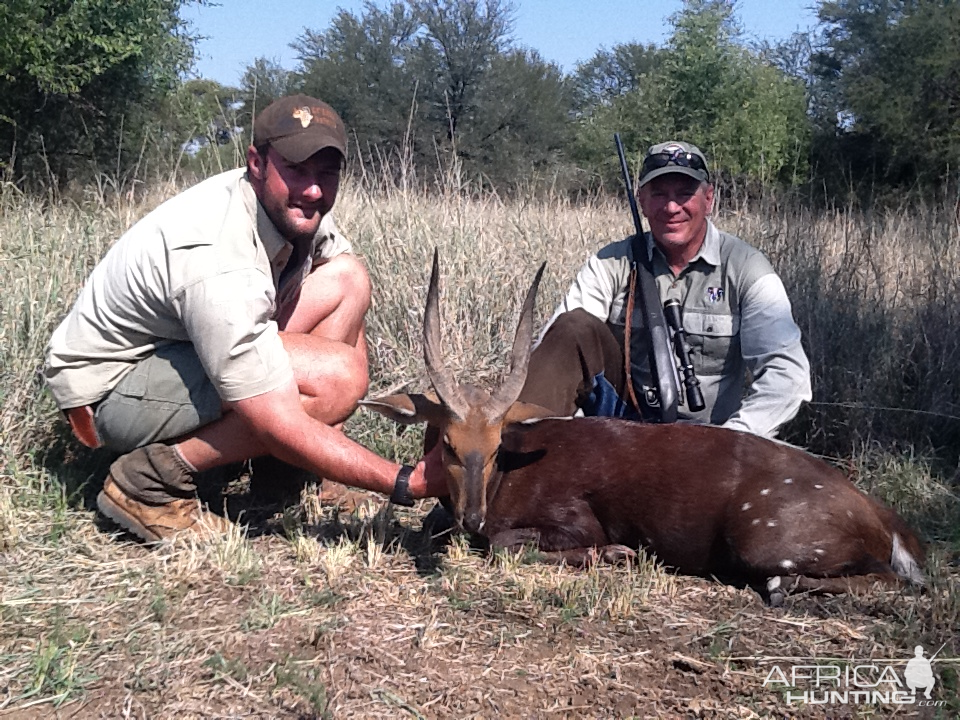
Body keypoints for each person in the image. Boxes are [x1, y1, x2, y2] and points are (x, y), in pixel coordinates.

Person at [43, 94, 446, 542]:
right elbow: (276, 413)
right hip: (113, 392)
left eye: (326, 172)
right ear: (256, 162)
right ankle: (150, 480)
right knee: (338, 380)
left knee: (348, 279)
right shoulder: (218, 255)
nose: (313, 189)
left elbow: (342, 271)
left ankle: (284, 470)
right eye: (296, 169)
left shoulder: (289, 208)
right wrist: (405, 482)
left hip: (179, 351)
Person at [518, 141, 811, 438]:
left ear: (708, 199)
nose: (672, 208)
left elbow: (788, 374)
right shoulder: (610, 263)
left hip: (713, 439)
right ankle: (517, 458)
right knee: (573, 326)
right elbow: (555, 347)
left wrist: (733, 440)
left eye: (685, 193)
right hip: (622, 424)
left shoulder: (747, 267)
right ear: (641, 201)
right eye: (659, 194)